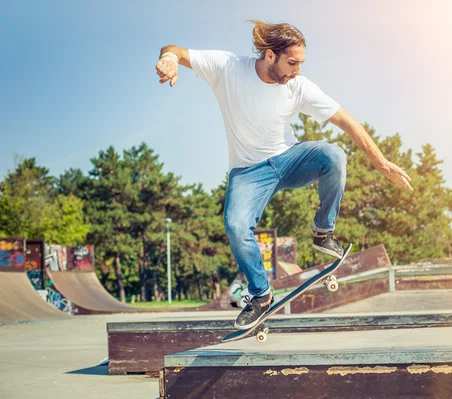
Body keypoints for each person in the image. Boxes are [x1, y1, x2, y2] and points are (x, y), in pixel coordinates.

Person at [156, 20, 413, 330]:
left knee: (333, 155)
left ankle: (323, 233)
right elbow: (175, 51)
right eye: (292, 63)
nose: (297, 71)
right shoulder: (227, 67)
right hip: (248, 172)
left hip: (289, 161)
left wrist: (380, 161)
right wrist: (169, 60)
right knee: (236, 226)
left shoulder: (298, 86)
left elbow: (347, 121)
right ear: (269, 56)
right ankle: (261, 296)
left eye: (300, 63)